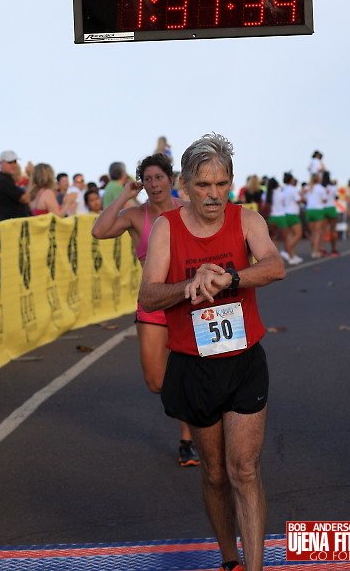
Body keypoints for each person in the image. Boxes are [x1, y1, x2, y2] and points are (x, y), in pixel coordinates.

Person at [139, 134, 285, 571]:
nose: (214, 194)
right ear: (184, 184)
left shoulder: (246, 218)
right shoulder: (168, 228)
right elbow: (147, 296)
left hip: (243, 362)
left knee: (245, 469)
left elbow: (275, 265)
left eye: (222, 184)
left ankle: (254, 568)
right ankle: (229, 559)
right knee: (216, 473)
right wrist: (188, 287)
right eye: (204, 184)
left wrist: (230, 279)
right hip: (194, 366)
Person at [92, 152, 200, 467]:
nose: (154, 184)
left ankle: (188, 439)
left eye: (159, 178)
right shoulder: (136, 216)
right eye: (148, 179)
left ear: (170, 180)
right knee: (157, 382)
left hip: (190, 301)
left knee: (194, 370)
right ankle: (193, 412)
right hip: (153, 303)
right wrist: (125, 195)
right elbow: (99, 231)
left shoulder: (186, 209)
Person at [0, 150, 31, 220]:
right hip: (10, 226)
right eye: (10, 162)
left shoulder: (4, 179)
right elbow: (25, 198)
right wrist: (31, 175)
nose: (13, 165)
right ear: (1, 164)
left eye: (15, 162)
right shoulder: (2, 180)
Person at [304, 173, 327, 258]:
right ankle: (315, 251)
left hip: (309, 210)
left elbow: (302, 194)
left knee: (312, 232)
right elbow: (324, 200)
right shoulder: (321, 188)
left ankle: (313, 249)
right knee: (317, 232)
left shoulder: (308, 188)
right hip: (318, 210)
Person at [320, 171, 340, 256]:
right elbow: (337, 197)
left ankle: (322, 249)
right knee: (332, 230)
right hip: (331, 208)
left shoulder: (320, 187)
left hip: (323, 208)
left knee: (323, 230)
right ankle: (333, 249)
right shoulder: (333, 187)